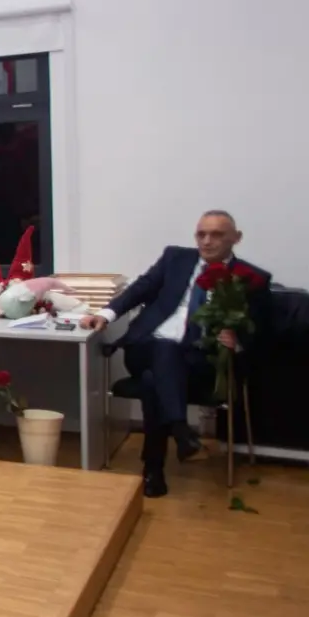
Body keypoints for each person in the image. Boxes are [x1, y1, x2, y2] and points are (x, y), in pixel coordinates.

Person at [80, 211, 272, 498]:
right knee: (164, 348)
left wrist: (238, 340)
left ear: (236, 238)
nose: (207, 241)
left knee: (151, 382)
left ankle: (156, 465)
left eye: (217, 235)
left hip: (198, 362)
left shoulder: (251, 278)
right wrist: (105, 314)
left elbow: (262, 329)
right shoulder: (176, 259)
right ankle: (180, 431)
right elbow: (141, 288)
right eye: (201, 234)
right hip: (145, 349)